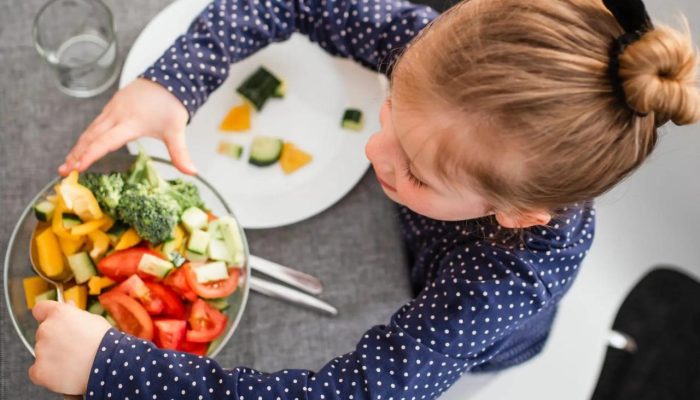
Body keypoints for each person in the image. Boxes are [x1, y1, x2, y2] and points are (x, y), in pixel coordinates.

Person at [29, 0, 700, 398]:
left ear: (519, 215)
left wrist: (115, 367)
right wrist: (174, 82)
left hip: (476, 337)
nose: (374, 154)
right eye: (390, 115)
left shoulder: (505, 283)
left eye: (415, 169)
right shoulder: (434, 57)